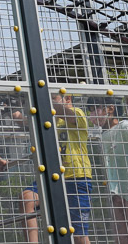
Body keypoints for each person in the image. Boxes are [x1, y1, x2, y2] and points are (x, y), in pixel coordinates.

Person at [19, 92, 93, 244]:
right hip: (51, 176)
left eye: (53, 98)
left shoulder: (77, 114)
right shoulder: (47, 119)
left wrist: (41, 98)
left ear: (68, 99)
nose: (47, 102)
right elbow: (26, 122)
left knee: (78, 234)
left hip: (76, 177)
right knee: (27, 198)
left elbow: (66, 114)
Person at [88, 97, 128, 244]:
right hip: (115, 192)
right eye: (90, 111)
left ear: (110, 108)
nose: (93, 114)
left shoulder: (124, 126)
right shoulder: (103, 134)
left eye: (96, 109)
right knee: (121, 239)